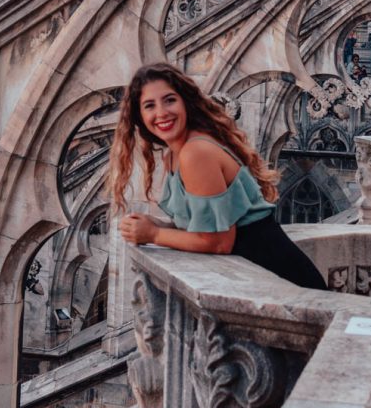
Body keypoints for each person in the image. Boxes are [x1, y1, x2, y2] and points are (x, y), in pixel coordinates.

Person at [108, 63, 327, 290]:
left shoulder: (196, 152)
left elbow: (218, 241)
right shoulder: (174, 155)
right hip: (263, 281)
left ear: (185, 102)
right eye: (149, 105)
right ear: (139, 116)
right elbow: (205, 227)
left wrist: (154, 234)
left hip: (286, 285)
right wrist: (162, 226)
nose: (161, 112)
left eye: (170, 100)